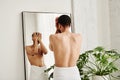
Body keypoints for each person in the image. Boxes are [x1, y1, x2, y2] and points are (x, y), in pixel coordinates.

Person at [49, 15, 82, 80]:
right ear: (69, 24)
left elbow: (52, 48)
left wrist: (57, 29)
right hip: (74, 72)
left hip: (60, 73)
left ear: (59, 25)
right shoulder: (79, 37)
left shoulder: (53, 37)